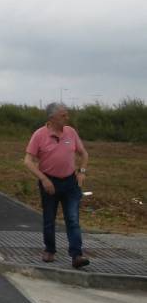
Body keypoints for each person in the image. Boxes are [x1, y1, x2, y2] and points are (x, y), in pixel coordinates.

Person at [24, 103, 90, 269]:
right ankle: (49, 249)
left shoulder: (71, 132)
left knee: (73, 219)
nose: (67, 118)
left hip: (70, 183)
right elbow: (28, 161)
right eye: (63, 115)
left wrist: (82, 171)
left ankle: (77, 255)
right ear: (52, 118)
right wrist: (44, 179)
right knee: (49, 219)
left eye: (67, 115)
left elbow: (84, 153)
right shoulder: (39, 135)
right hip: (50, 182)